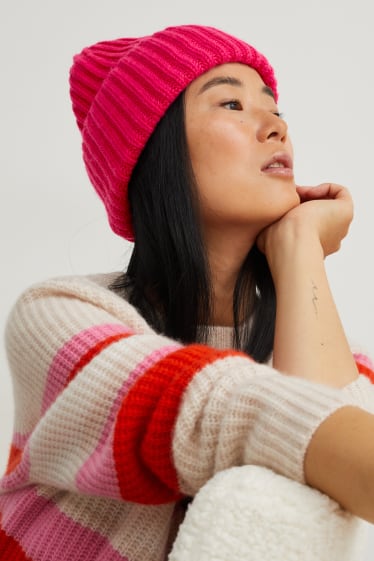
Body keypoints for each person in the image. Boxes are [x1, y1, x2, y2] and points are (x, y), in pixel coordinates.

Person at [1, 23, 374, 561]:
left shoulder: (325, 347)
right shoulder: (59, 317)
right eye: (231, 103)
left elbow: (333, 498)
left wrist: (300, 249)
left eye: (276, 109)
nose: (275, 127)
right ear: (156, 154)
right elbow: (219, 413)